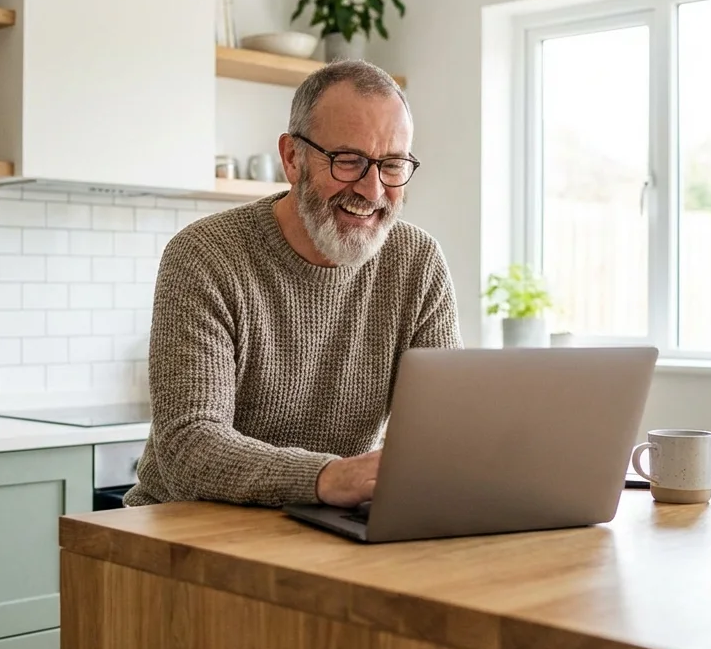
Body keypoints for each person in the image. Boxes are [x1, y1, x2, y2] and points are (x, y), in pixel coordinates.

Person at [123, 59, 462, 509]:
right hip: (184, 534)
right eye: (349, 161)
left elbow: (442, 431)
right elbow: (189, 448)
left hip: (324, 525)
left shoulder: (417, 262)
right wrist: (327, 477)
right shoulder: (207, 254)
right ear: (291, 158)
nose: (373, 190)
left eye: (392, 165)